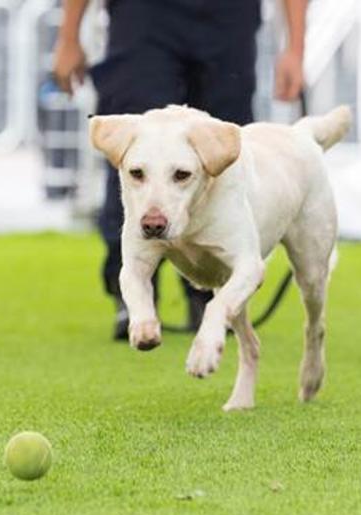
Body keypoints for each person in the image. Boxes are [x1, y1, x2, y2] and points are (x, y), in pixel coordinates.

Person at [54, 0, 307, 340]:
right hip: (142, 15)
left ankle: (210, 295)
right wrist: (68, 36)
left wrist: (295, 48)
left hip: (228, 17)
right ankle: (134, 297)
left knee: (220, 149)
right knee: (138, 152)